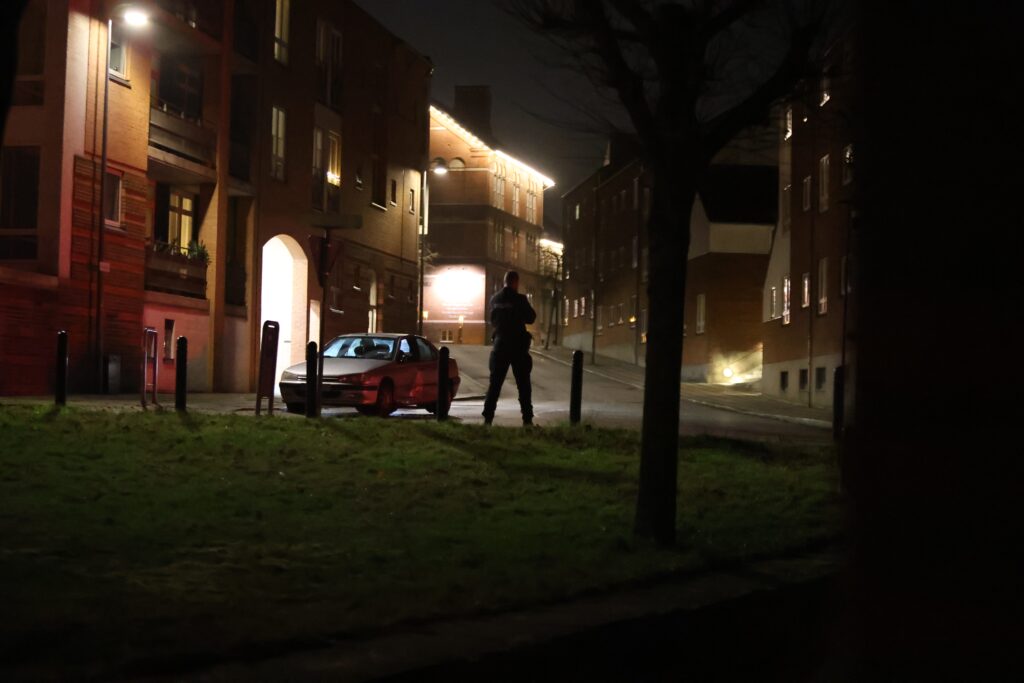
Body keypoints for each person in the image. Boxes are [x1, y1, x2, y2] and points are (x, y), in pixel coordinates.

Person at [482, 271, 537, 426]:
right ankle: (527, 419)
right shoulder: (520, 299)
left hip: (500, 345)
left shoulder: (494, 299)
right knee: (523, 385)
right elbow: (531, 317)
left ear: (504, 282)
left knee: (495, 384)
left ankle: (488, 418)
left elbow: (493, 320)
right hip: (518, 346)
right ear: (515, 282)